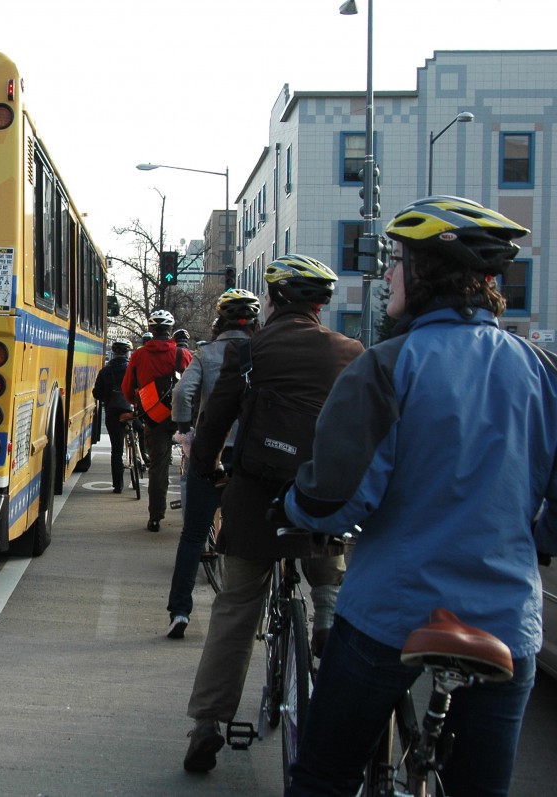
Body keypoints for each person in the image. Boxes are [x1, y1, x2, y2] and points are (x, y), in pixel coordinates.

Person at [280, 197, 555, 796]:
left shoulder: (387, 365)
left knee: (324, 774)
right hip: (506, 620)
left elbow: (335, 501)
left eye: (397, 261)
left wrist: (294, 508)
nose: (387, 275)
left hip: (396, 611)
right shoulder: (540, 370)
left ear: (428, 272)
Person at [181, 254, 363, 773]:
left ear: (276, 299)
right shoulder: (351, 352)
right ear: (320, 304)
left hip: (256, 495)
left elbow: (216, 416)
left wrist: (206, 467)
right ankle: (326, 606)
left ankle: (208, 722)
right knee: (327, 542)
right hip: (320, 495)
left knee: (237, 606)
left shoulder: (250, 349)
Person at [164, 289, 261, 639]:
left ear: (219, 322)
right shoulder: (263, 354)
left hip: (210, 452)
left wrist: (185, 430)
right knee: (247, 536)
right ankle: (245, 616)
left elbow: (181, 394)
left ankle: (179, 611)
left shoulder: (205, 355)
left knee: (192, 536)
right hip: (250, 457)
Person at [122, 310, 193, 531]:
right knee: (194, 461)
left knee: (158, 467)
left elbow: (128, 387)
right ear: (170, 330)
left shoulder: (139, 355)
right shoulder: (183, 355)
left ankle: (155, 517)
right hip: (182, 415)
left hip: (154, 416)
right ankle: (192, 512)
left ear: (151, 330)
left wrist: (139, 404)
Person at [92, 339, 134, 493]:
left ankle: (118, 484)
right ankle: (142, 456)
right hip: (131, 409)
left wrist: (107, 398)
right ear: (128, 353)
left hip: (112, 410)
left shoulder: (105, 371)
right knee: (141, 430)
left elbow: (97, 393)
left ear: (114, 353)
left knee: (116, 450)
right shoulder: (132, 369)